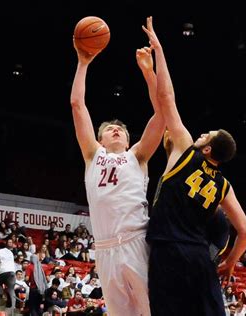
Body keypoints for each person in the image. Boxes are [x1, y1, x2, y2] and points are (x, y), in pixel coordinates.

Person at [142, 16, 246, 316]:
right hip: (200, 256)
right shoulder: (223, 185)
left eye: (207, 134)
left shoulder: (185, 150)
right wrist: (230, 261)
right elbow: (245, 231)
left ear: (206, 148)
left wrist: (158, 50)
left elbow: (166, 97)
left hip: (168, 251)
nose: (201, 133)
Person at [69, 15, 165, 316]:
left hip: (136, 242)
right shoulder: (92, 155)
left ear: (127, 139)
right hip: (104, 249)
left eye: (121, 130)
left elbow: (163, 115)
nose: (115, 130)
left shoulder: (138, 156)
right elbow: (77, 106)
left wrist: (150, 74)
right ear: (99, 138)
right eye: (108, 129)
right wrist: (83, 63)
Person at [0, 239, 17, 312]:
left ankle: (3, 295)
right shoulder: (10, 252)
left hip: (3, 271)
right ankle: (13, 307)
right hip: (12, 272)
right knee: (11, 289)